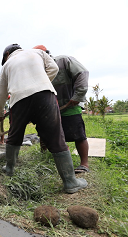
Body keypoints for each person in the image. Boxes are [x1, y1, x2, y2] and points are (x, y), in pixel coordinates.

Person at [0, 43, 87, 194]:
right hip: (45, 96)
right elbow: (54, 69)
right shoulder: (38, 53)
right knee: (56, 137)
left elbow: (2, 95)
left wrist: (0, 114)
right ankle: (70, 182)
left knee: (15, 134)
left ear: (7, 55)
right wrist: (41, 82)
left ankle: (9, 169)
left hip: (18, 100)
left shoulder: (7, 65)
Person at [33, 45, 90, 174]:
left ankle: (84, 164)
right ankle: (45, 158)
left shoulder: (64, 61)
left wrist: (78, 96)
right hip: (49, 109)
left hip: (70, 105)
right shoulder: (37, 72)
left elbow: (82, 73)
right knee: (44, 133)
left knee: (78, 134)